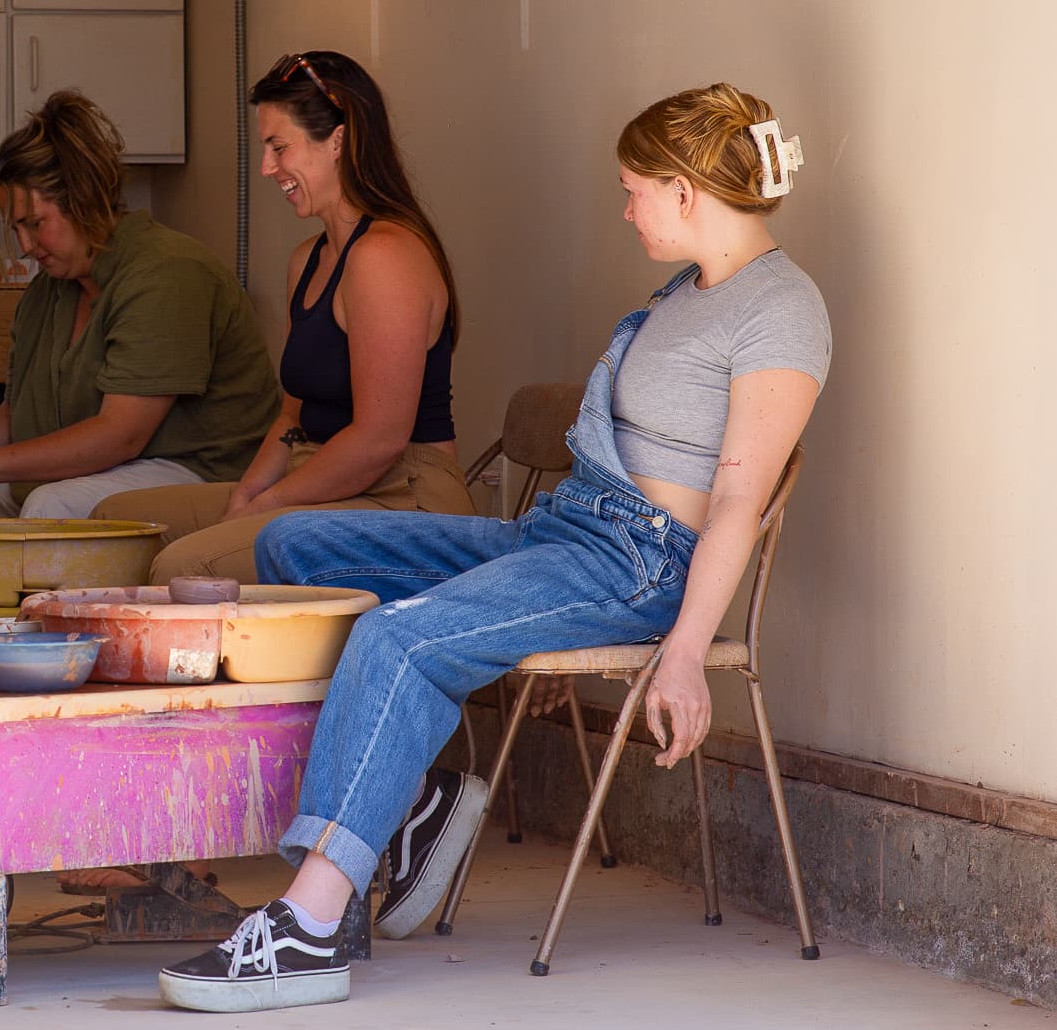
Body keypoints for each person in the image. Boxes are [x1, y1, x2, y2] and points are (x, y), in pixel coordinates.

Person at [157, 82, 831, 1012]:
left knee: (397, 636)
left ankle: (308, 925)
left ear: (686, 191)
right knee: (297, 545)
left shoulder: (782, 310)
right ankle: (411, 810)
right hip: (562, 533)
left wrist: (682, 656)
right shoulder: (688, 290)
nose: (626, 206)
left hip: (634, 566)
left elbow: (737, 502)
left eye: (636, 188)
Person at [94, 51, 473, 584]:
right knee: (113, 526)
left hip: (404, 499)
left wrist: (266, 506)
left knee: (188, 566)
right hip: (322, 475)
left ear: (338, 138)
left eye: (278, 146)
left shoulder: (385, 256)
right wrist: (247, 496)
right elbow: (291, 419)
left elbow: (378, 441)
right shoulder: (308, 259)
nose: (268, 168)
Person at [0, 90, 278, 519]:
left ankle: (32, 589)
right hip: (93, 472)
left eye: (35, 224)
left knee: (52, 503)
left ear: (84, 199)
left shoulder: (168, 273)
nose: (25, 246)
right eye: (17, 230)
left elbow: (121, 436)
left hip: (200, 474)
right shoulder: (50, 290)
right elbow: (18, 414)